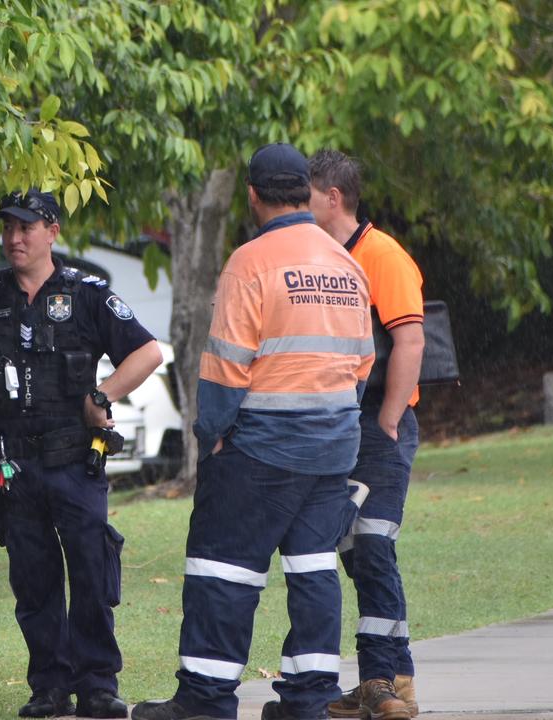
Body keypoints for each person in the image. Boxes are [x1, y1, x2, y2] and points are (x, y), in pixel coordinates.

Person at [132, 143, 373, 720]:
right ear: (306, 192)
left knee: (223, 571)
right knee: (314, 568)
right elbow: (362, 363)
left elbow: (224, 366)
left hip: (261, 449)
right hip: (333, 447)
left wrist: (210, 436)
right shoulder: (346, 263)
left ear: (252, 194)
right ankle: (311, 698)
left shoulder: (251, 261)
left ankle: (206, 700)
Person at [0, 188, 163, 719]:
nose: (14, 238)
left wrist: (103, 395)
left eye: (26, 227)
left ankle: (97, 686)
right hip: (14, 465)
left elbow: (148, 351)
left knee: (90, 572)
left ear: (52, 231)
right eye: (8, 228)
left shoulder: (85, 294)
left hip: (73, 462)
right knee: (34, 579)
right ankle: (49, 686)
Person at [309, 150, 424, 720]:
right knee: (354, 552)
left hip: (379, 422)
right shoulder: (323, 258)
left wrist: (388, 418)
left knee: (373, 545)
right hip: (339, 422)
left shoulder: (382, 255)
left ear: (333, 198)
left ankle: (383, 679)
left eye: (307, 194)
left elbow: (409, 341)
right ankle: (390, 679)